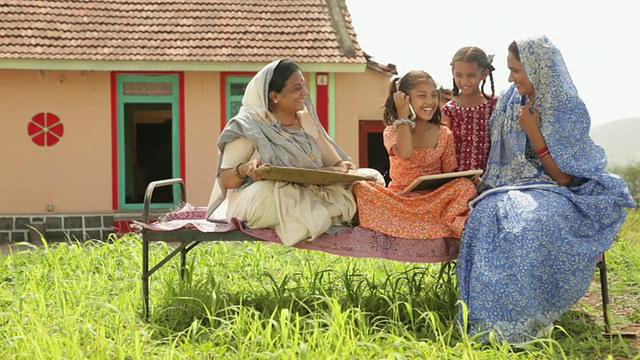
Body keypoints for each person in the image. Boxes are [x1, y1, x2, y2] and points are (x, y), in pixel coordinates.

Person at [456, 35, 636, 344]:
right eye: (510, 71)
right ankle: (492, 328)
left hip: (556, 189)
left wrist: (533, 132)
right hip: (506, 186)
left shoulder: (565, 107)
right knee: (488, 218)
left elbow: (565, 177)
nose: (511, 78)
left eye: (516, 71)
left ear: (537, 69)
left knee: (528, 224)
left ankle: (528, 319)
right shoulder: (511, 100)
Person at [205, 59, 383, 247]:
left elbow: (335, 161)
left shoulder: (305, 119)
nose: (305, 93)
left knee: (371, 176)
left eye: (304, 86)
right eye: (296, 89)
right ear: (274, 96)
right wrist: (245, 169)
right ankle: (331, 215)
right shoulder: (249, 125)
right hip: (263, 196)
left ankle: (316, 216)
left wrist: (342, 167)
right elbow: (226, 179)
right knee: (268, 194)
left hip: (308, 191)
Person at [352, 71, 478, 239]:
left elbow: (449, 172)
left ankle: (440, 222)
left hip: (432, 200)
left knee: (464, 186)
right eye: (422, 96)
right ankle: (420, 223)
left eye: (434, 95)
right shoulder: (392, 131)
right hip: (400, 200)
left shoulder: (444, 133)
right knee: (360, 187)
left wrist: (468, 179)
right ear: (405, 99)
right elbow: (405, 153)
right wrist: (403, 115)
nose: (430, 102)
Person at [441, 46, 497, 172]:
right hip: (457, 179)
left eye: (471, 75)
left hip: (490, 178)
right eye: (459, 75)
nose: (464, 81)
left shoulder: (495, 105)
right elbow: (444, 148)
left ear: (484, 74)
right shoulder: (449, 110)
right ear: (452, 73)